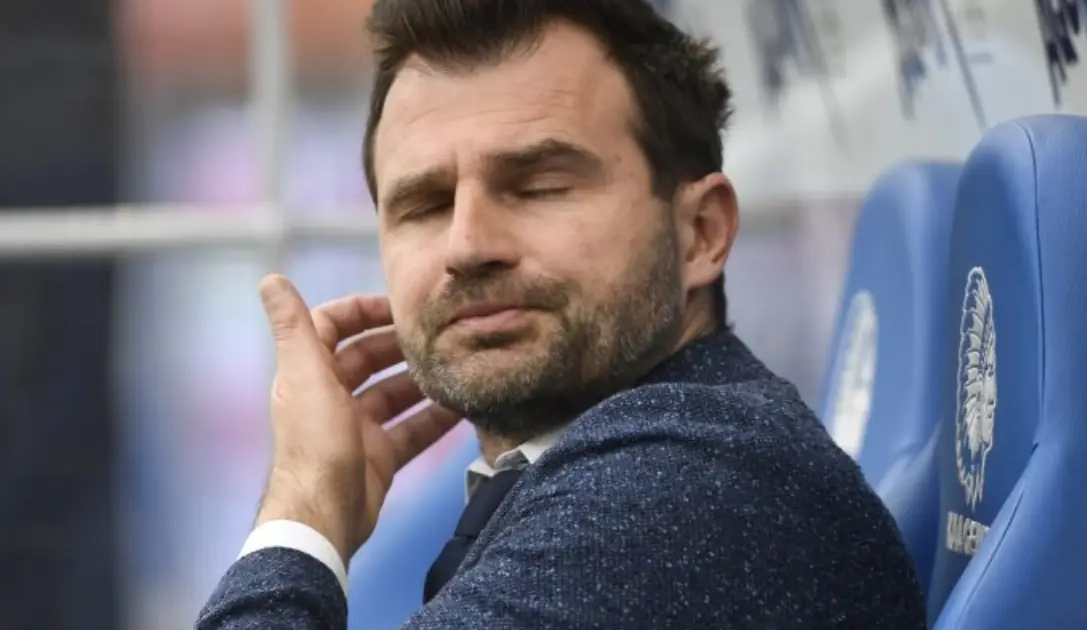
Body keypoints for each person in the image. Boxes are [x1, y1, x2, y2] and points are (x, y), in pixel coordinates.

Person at [196, 0, 927, 628]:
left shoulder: (687, 484)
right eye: (425, 205)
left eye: (540, 186)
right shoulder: (618, 465)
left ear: (700, 233)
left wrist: (304, 507)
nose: (467, 247)